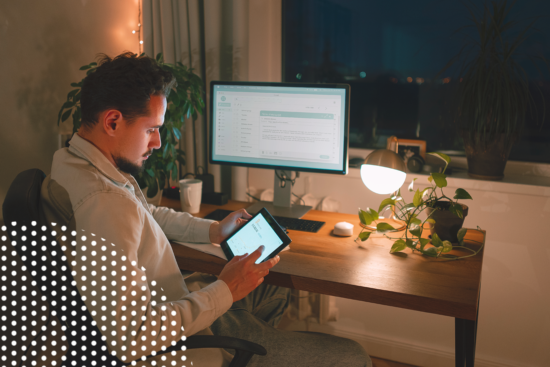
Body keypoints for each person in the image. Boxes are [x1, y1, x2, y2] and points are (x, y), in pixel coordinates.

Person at [39, 52, 371, 366]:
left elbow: (145, 213)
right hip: (183, 341)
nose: (157, 143)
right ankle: (242, 351)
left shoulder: (71, 161)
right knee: (353, 356)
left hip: (179, 303)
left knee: (270, 283)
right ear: (112, 121)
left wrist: (213, 230)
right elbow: (130, 340)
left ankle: (257, 346)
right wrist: (226, 289)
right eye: (152, 129)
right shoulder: (105, 203)